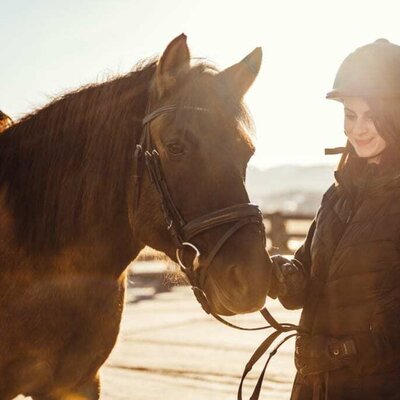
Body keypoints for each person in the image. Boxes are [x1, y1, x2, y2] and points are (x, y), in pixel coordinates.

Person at [269, 38, 400, 399]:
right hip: (313, 387)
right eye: (350, 114)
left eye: (372, 116)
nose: (358, 129)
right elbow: (309, 280)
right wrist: (280, 276)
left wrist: (337, 352)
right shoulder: (338, 193)